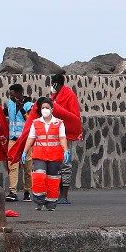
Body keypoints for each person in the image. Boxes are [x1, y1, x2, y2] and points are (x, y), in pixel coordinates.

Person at [22, 98, 67, 211]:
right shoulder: (36, 123)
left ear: (52, 109)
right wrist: (24, 151)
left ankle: (51, 204)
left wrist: (66, 150)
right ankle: (39, 201)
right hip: (39, 155)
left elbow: (62, 138)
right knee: (39, 176)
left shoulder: (59, 123)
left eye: (47, 107)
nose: (45, 110)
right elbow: (31, 138)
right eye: (43, 108)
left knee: (53, 180)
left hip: (54, 156)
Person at [48, 72, 84, 204]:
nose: (51, 86)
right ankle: (58, 193)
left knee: (65, 165)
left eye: (52, 83)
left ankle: (64, 195)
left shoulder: (69, 95)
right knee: (56, 165)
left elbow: (74, 116)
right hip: (55, 134)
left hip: (66, 135)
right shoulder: (54, 96)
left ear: (56, 84)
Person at [4, 84, 33, 201]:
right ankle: (12, 192)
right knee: (12, 166)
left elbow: (30, 120)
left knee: (27, 167)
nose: (10, 97)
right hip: (13, 139)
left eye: (12, 95)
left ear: (19, 93)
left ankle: (27, 191)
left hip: (26, 140)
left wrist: (21, 108)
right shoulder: (10, 104)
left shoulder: (29, 105)